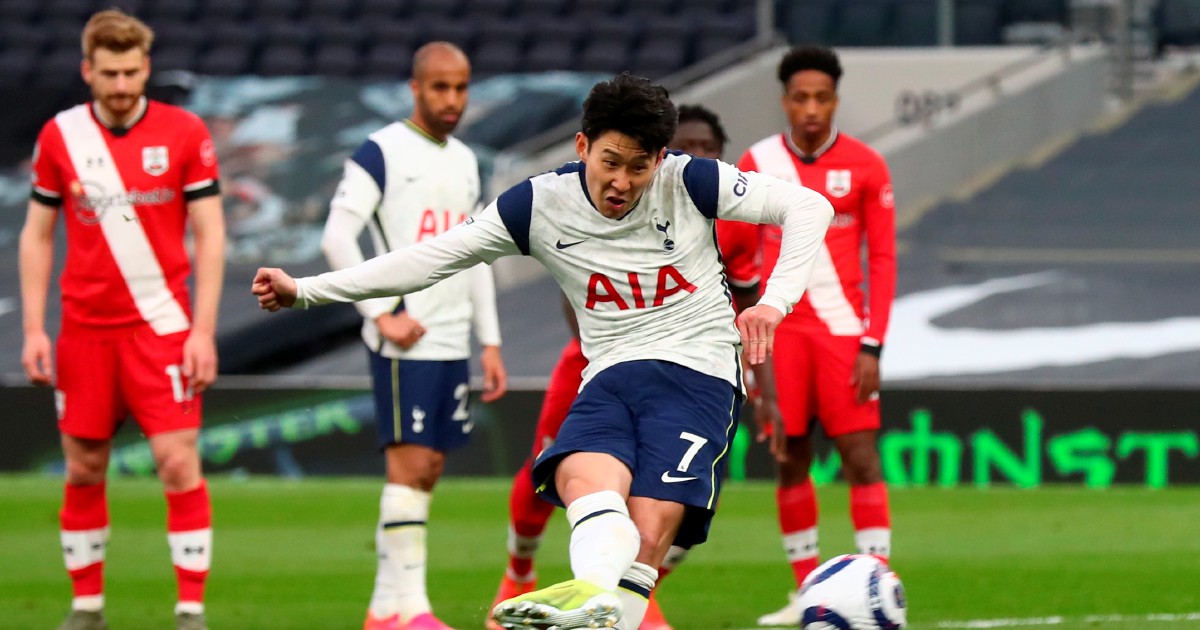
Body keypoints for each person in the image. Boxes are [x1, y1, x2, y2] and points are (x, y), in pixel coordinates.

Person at [253, 72, 833, 630]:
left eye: (639, 167)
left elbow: (810, 208)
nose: (622, 182)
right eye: (609, 162)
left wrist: (772, 304)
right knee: (583, 480)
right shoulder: (537, 204)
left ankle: (593, 596)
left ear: (659, 159)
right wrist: (305, 290)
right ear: (582, 146)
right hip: (609, 373)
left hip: (697, 373)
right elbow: (429, 258)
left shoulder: (689, 180)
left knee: (649, 529)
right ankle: (592, 599)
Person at [483, 103, 783, 630]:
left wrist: (765, 388)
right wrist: (603, 352)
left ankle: (630, 596)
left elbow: (746, 300)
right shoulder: (623, 197)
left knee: (671, 496)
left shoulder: (732, 221)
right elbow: (573, 282)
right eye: (688, 148)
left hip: (694, 369)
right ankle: (519, 571)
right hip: (597, 360)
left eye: (709, 150)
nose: (699, 159)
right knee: (551, 463)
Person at [19, 10, 225, 630]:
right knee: (83, 467)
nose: (121, 85)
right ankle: (86, 608)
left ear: (146, 67)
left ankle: (190, 611)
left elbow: (211, 235)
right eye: (109, 73)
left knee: (178, 462)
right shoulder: (60, 137)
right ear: (88, 71)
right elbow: (36, 235)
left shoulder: (185, 132)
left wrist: (204, 330)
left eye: (132, 72)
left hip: (161, 328)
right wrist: (34, 327)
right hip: (84, 332)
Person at [317, 41, 508, 630]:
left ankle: (384, 609)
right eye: (440, 87)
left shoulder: (467, 160)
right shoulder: (380, 152)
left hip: (452, 338)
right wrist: (380, 316)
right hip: (406, 338)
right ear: (416, 88)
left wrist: (491, 339)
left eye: (461, 87)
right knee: (409, 467)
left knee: (427, 470)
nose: (452, 99)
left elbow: (477, 251)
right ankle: (414, 611)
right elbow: (336, 238)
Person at [734, 46, 898, 627]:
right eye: (800, 97)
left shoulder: (866, 166)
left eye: (821, 97)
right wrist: (754, 360)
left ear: (835, 100)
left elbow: (881, 258)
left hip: (843, 334)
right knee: (790, 459)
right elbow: (742, 261)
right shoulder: (757, 161)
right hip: (783, 336)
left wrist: (873, 343)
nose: (811, 108)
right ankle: (806, 592)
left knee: (860, 458)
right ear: (784, 101)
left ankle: (875, 584)